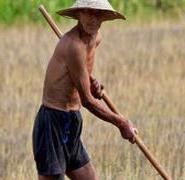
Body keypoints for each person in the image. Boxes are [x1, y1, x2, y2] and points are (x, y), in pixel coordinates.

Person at [32, 1, 136, 179]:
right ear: (79, 14)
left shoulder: (96, 38)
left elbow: (81, 72)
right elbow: (87, 101)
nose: (93, 19)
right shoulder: (73, 45)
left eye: (98, 14)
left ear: (104, 17)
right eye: (88, 13)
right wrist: (121, 122)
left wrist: (90, 80)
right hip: (53, 121)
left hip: (72, 119)